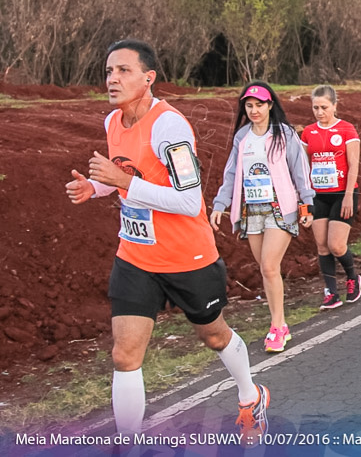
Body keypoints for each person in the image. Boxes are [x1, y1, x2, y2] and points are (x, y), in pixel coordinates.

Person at [65, 39, 269, 443]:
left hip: (187, 256)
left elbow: (189, 199)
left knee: (214, 335)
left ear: (148, 78)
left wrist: (123, 182)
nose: (113, 78)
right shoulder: (112, 122)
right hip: (136, 256)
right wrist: (96, 186)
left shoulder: (169, 126)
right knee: (125, 355)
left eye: (124, 70)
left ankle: (251, 395)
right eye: (109, 71)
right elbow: (127, 173)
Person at [210, 82, 314, 353]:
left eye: (259, 105)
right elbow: (231, 173)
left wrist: (307, 202)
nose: (254, 110)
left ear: (270, 105)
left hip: (281, 208)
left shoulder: (285, 134)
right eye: (249, 106)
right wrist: (221, 203)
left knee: (269, 265)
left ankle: (277, 326)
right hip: (251, 210)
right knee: (267, 270)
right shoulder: (242, 136)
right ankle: (279, 322)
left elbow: (300, 170)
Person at [301, 85, 361, 310]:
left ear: (335, 106)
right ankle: (331, 292)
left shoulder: (346, 130)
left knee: (336, 245)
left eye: (324, 107)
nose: (319, 112)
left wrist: (348, 196)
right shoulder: (308, 132)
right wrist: (304, 198)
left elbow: (354, 163)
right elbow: (303, 165)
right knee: (322, 246)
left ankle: (352, 277)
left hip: (342, 194)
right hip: (318, 195)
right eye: (315, 108)